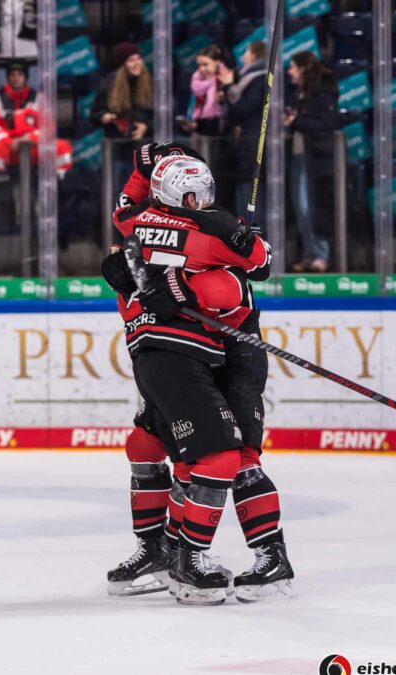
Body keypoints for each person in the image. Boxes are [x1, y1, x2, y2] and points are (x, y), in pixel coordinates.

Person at [104, 143, 293, 604]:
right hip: (196, 349)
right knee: (196, 452)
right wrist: (243, 243)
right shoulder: (206, 230)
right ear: (174, 194)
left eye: (205, 194)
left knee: (234, 455)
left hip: (230, 349)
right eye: (194, 195)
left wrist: (140, 169)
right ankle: (174, 553)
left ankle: (268, 557)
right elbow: (259, 266)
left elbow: (125, 213)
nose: (202, 202)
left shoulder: (144, 222)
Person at [285, 51, 339, 273]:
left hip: (316, 157)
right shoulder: (299, 93)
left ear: (303, 69)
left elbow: (327, 125)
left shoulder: (322, 92)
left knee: (311, 207)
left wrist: (297, 121)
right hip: (299, 155)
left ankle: (321, 254)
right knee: (300, 207)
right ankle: (309, 253)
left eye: (293, 67)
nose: (289, 72)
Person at [0, 60, 73, 178]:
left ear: (26, 77)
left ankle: (61, 183)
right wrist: (9, 142)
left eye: (19, 74)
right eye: (12, 75)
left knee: (62, 146)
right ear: (7, 77)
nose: (16, 78)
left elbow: (48, 126)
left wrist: (31, 138)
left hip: (33, 147)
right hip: (8, 148)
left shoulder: (39, 98)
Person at [91, 42, 154, 195]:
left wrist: (146, 127)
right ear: (122, 64)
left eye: (138, 58)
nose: (137, 63)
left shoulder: (149, 83)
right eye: (131, 60)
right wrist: (105, 117)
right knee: (119, 192)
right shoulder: (109, 85)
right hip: (117, 151)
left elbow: (161, 116)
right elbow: (94, 115)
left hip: (143, 152)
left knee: (144, 194)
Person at [225, 41, 268, 219]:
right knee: (244, 190)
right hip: (246, 142)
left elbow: (243, 109)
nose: (243, 57)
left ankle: (255, 238)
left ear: (253, 56)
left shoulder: (259, 79)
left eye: (246, 53)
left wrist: (228, 87)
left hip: (253, 142)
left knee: (251, 192)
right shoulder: (245, 78)